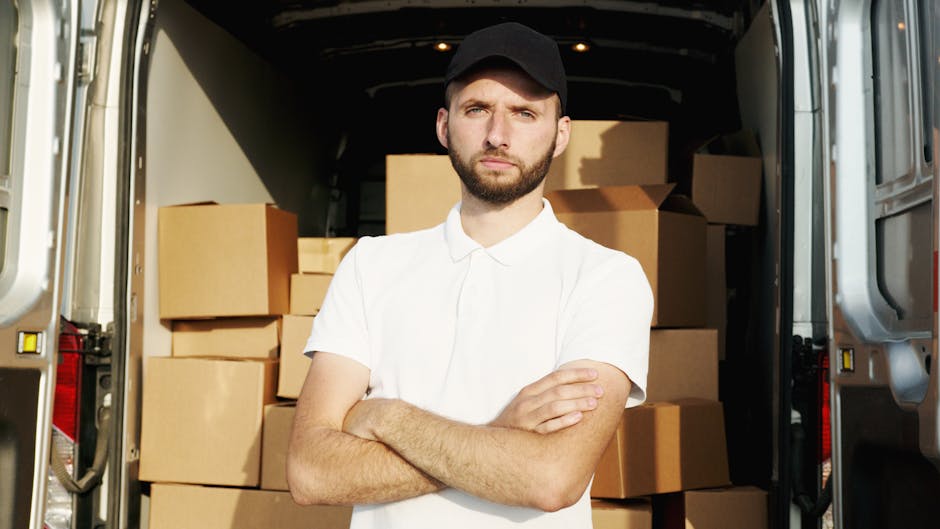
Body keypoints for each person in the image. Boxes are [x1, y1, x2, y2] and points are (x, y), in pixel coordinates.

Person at [286, 21, 653, 529]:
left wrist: (385, 417)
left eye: (525, 113)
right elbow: (311, 473)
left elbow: (550, 479)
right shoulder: (370, 266)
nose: (498, 136)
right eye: (477, 109)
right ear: (443, 125)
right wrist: (500, 433)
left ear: (561, 133)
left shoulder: (607, 278)